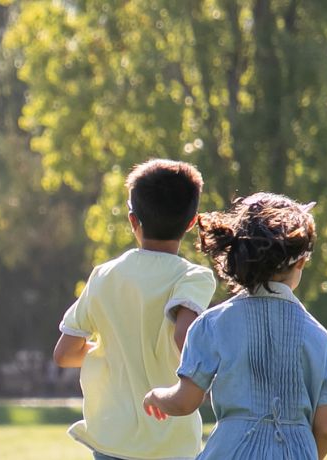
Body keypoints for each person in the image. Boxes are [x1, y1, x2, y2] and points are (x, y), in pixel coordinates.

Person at [142, 193, 327, 460]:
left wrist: (157, 396)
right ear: (300, 261)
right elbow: (326, 427)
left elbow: (185, 401)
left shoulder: (213, 325)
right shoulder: (323, 342)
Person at [51, 159, 218, 460]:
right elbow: (184, 338)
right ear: (192, 222)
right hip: (171, 441)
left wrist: (112, 349)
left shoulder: (103, 275)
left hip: (110, 439)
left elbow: (64, 353)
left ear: (132, 220)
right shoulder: (193, 277)